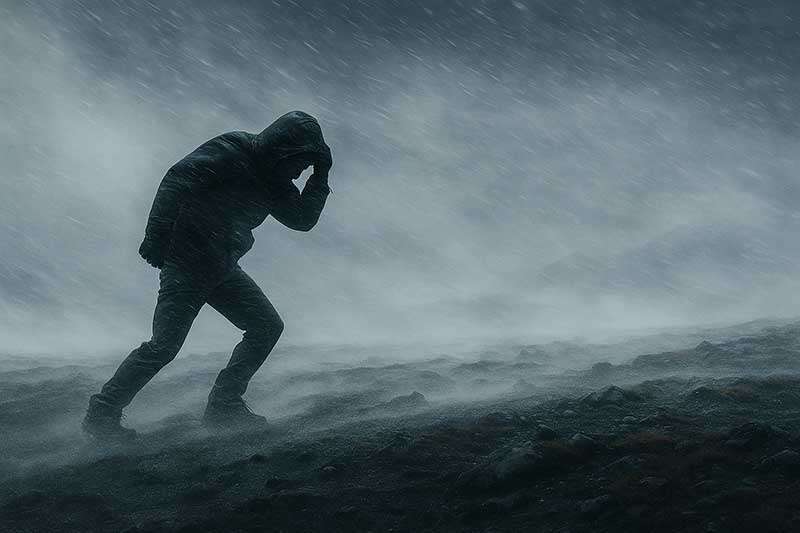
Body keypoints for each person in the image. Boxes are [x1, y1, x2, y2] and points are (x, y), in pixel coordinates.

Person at [82, 110, 333, 441]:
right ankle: (102, 412)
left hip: (222, 266)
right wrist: (156, 235)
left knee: (266, 327)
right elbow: (178, 180)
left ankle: (224, 406)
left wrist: (320, 176)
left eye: (307, 164)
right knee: (164, 346)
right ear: (284, 149)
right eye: (301, 161)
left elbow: (302, 220)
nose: (301, 170)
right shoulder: (234, 150)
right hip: (187, 264)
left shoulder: (276, 183)